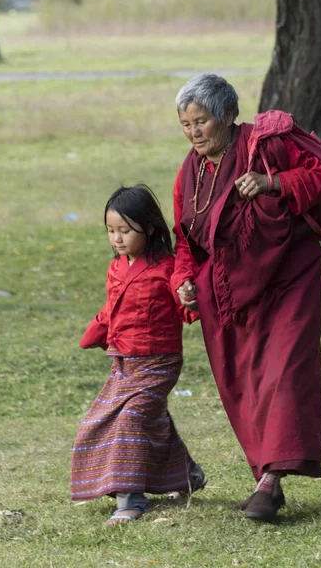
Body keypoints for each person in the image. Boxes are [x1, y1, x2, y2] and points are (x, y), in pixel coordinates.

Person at [171, 74, 321, 521]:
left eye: (202, 122)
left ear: (227, 115)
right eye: (186, 124)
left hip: (289, 278)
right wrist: (183, 282)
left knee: (284, 371)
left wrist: (274, 184)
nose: (194, 133)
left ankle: (271, 480)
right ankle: (265, 476)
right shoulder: (189, 173)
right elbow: (187, 242)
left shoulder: (266, 143)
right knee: (243, 380)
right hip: (230, 295)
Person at [70, 184, 206, 526]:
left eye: (126, 231)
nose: (117, 239)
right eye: (111, 231)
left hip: (159, 363)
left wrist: (190, 297)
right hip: (124, 363)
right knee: (124, 422)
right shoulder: (116, 268)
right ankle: (187, 476)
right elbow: (113, 309)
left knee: (130, 420)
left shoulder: (167, 269)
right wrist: (97, 332)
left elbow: (185, 305)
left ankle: (130, 499)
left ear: (149, 228)